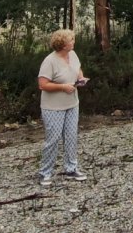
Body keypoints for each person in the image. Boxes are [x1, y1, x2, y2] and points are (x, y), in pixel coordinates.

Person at [37, 29, 88, 185]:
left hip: (72, 103)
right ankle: (45, 172)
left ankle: (71, 168)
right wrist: (62, 87)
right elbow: (42, 84)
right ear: (62, 44)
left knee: (71, 136)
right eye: (71, 40)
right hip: (53, 107)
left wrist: (80, 78)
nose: (73, 42)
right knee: (53, 139)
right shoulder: (49, 61)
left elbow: (77, 68)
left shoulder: (72, 54)